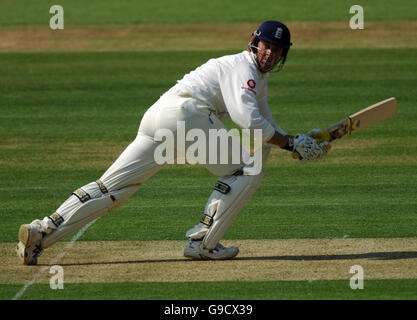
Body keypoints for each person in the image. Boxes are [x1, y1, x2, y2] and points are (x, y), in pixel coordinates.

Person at [16, 20, 330, 265]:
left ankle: (40, 233)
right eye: (266, 46)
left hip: (160, 116)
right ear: (254, 42)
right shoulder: (243, 69)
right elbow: (248, 122)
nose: (270, 53)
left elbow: (264, 120)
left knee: (112, 190)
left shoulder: (255, 76)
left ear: (282, 54)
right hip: (186, 115)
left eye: (277, 50)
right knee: (247, 169)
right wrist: (289, 144)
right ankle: (202, 244)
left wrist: (297, 141)